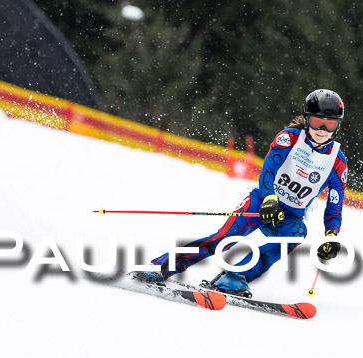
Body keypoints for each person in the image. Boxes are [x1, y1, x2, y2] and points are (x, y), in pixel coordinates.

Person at [148, 89, 348, 297]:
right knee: (223, 240)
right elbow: (268, 171)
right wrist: (270, 197)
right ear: (307, 120)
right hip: (262, 201)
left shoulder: (337, 162)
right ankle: (160, 267)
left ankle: (236, 276)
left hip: (290, 216)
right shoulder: (288, 139)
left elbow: (335, 204)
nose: (323, 129)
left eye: (330, 124)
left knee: (297, 232)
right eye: (317, 122)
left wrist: (332, 235)